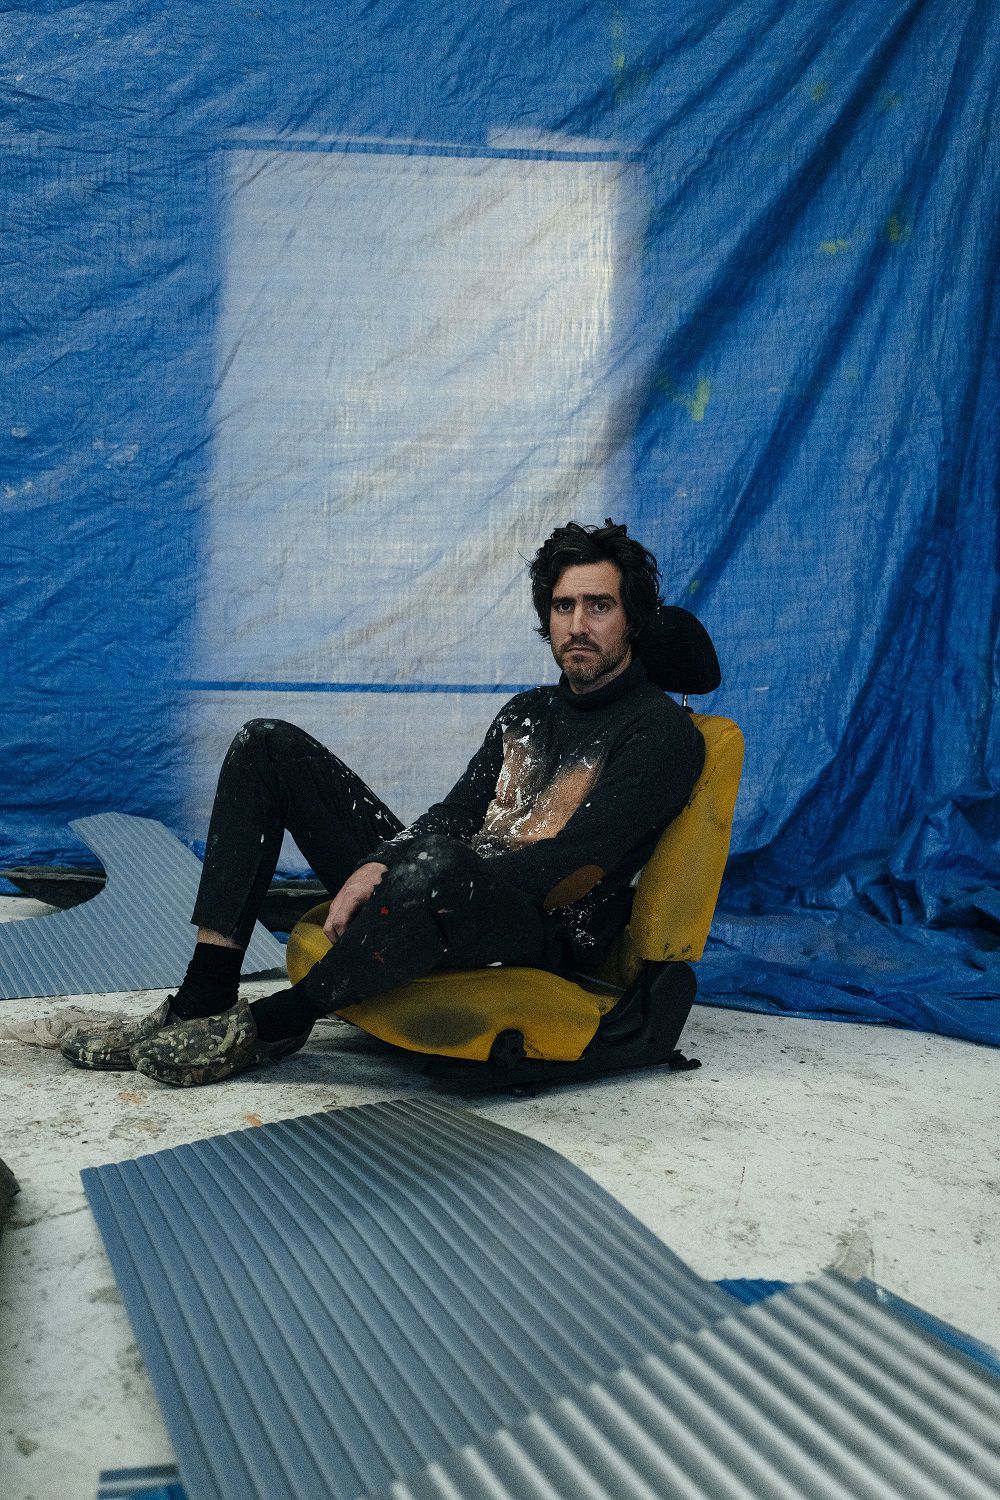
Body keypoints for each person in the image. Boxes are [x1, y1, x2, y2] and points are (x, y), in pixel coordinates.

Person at [61, 520, 706, 1086]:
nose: (578, 625)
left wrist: (421, 871)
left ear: (632, 619)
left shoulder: (662, 734)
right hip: (437, 883)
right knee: (266, 745)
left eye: (599, 606)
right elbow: (456, 812)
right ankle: (204, 995)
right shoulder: (528, 711)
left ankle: (278, 1022)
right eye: (564, 606)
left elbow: (573, 862)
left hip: (535, 926)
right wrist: (381, 861)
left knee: (436, 861)